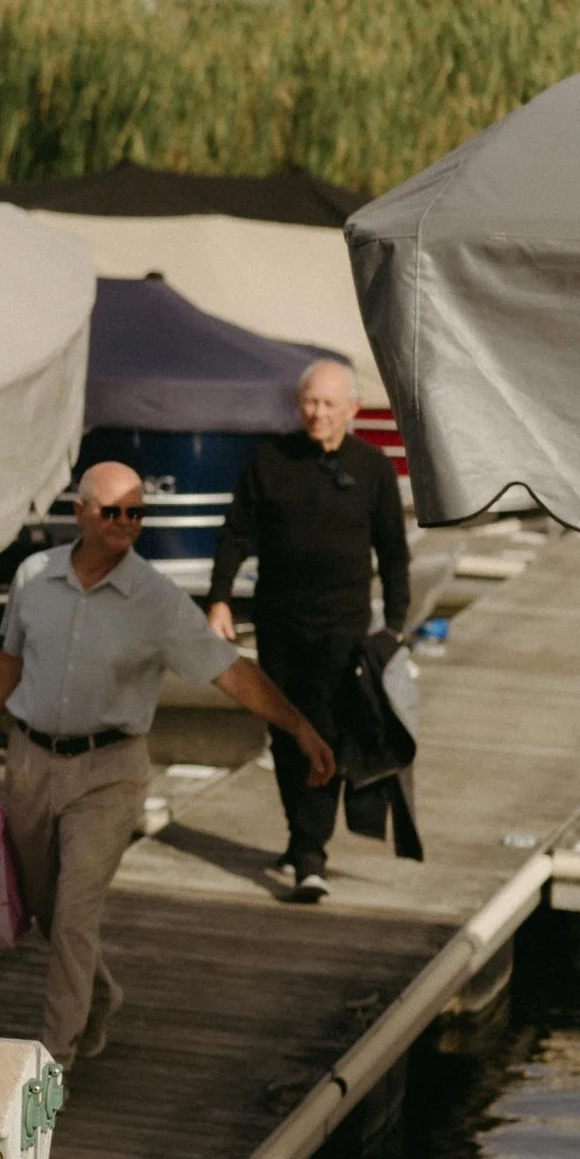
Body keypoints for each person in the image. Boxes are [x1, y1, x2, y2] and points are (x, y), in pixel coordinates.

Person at [0, 463, 335, 1066]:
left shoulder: (157, 600)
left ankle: (51, 1062)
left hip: (110, 770)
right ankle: (99, 994)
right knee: (43, 911)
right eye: (113, 511)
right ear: (81, 514)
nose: (126, 523)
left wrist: (297, 725)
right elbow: (9, 660)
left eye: (136, 513)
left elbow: (229, 669)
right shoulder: (33, 577)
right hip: (31, 761)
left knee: (72, 916)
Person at [206, 359, 412, 903]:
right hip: (279, 622)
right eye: (309, 403)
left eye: (327, 404)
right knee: (284, 729)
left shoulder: (373, 469)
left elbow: (393, 553)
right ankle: (303, 836)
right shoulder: (271, 460)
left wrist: (395, 626)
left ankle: (310, 852)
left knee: (326, 729)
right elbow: (235, 533)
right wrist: (220, 598)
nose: (317, 413)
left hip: (343, 628)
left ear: (352, 409)